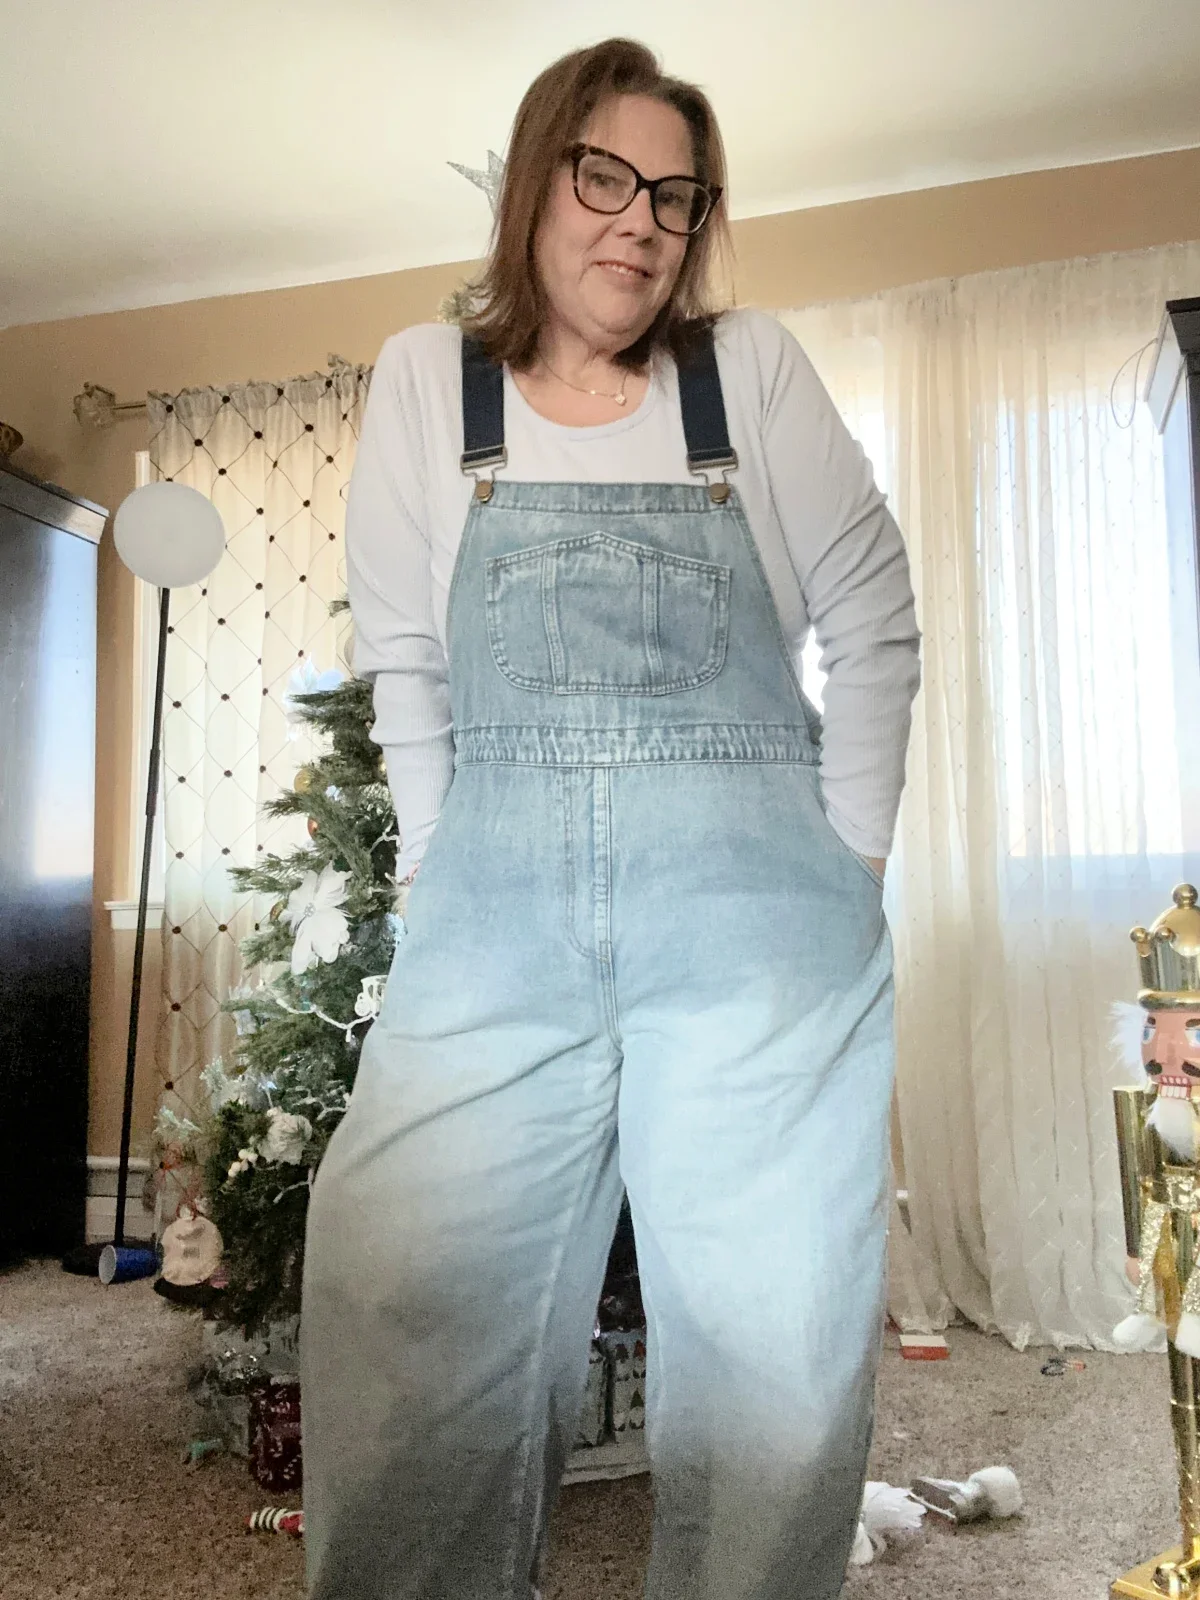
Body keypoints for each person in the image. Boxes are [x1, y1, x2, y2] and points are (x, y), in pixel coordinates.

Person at [300, 36, 920, 1600]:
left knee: (773, 1357)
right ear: (537, 181)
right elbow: (408, 663)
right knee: (406, 1321)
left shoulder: (750, 372)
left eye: (676, 195)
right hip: (487, 929)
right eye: (605, 179)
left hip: (759, 936)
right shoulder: (424, 383)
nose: (641, 222)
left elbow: (875, 618)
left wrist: (844, 865)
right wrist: (441, 868)